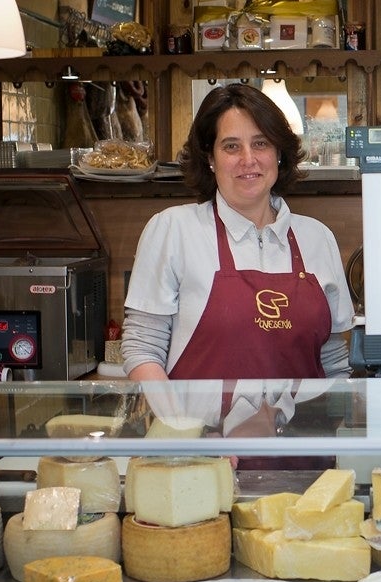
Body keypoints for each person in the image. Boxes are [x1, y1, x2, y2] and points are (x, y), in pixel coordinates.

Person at [121, 83, 353, 462]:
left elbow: (333, 362)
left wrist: (322, 430)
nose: (248, 159)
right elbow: (143, 349)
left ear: (279, 152)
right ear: (210, 158)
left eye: (260, 143)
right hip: (200, 461)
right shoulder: (174, 230)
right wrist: (186, 440)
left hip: (304, 459)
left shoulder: (318, 239)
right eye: (231, 146)